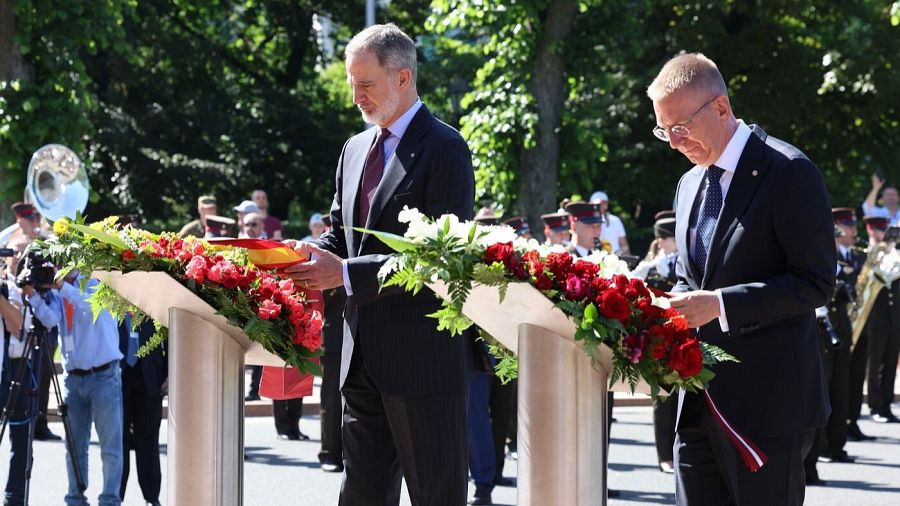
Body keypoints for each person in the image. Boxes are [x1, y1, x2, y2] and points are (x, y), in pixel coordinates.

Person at [285, 23, 476, 506]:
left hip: (423, 365)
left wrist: (346, 273)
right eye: (353, 85)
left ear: (403, 78)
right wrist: (304, 255)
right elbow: (339, 233)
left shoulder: (445, 148)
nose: (357, 98)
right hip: (360, 360)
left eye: (365, 85)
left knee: (437, 496)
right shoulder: (353, 150)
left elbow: (440, 256)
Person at [648, 53, 833, 505]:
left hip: (767, 410)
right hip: (697, 403)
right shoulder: (689, 184)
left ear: (721, 108)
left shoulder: (788, 172)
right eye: (663, 130)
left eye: (681, 127)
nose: (673, 142)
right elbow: (696, 276)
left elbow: (814, 282)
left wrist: (722, 305)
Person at [31, 270, 124, 506]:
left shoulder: (97, 282)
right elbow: (50, 320)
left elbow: (87, 305)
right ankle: (75, 498)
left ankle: (109, 501)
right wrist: (32, 295)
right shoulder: (59, 291)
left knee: (110, 447)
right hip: (73, 379)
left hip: (104, 375)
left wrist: (61, 286)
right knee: (74, 446)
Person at [632, 213, 679, 474]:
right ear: (661, 241)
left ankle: (680, 449)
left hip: (684, 335)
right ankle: (665, 454)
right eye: (672, 239)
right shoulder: (649, 268)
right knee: (662, 398)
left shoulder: (683, 263)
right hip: (659, 340)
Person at [846, 215, 887, 441]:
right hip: (844, 324)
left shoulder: (859, 255)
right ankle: (841, 424)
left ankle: (852, 420)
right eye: (849, 226)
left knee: (856, 375)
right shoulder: (836, 256)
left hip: (862, 323)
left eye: (854, 226)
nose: (854, 231)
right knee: (843, 379)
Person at [118, 316, 166, 506]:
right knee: (117, 442)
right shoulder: (110, 297)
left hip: (150, 377)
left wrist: (170, 373)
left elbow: (170, 335)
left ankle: (151, 496)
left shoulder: (153, 295)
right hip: (117, 376)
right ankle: (115, 497)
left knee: (148, 439)